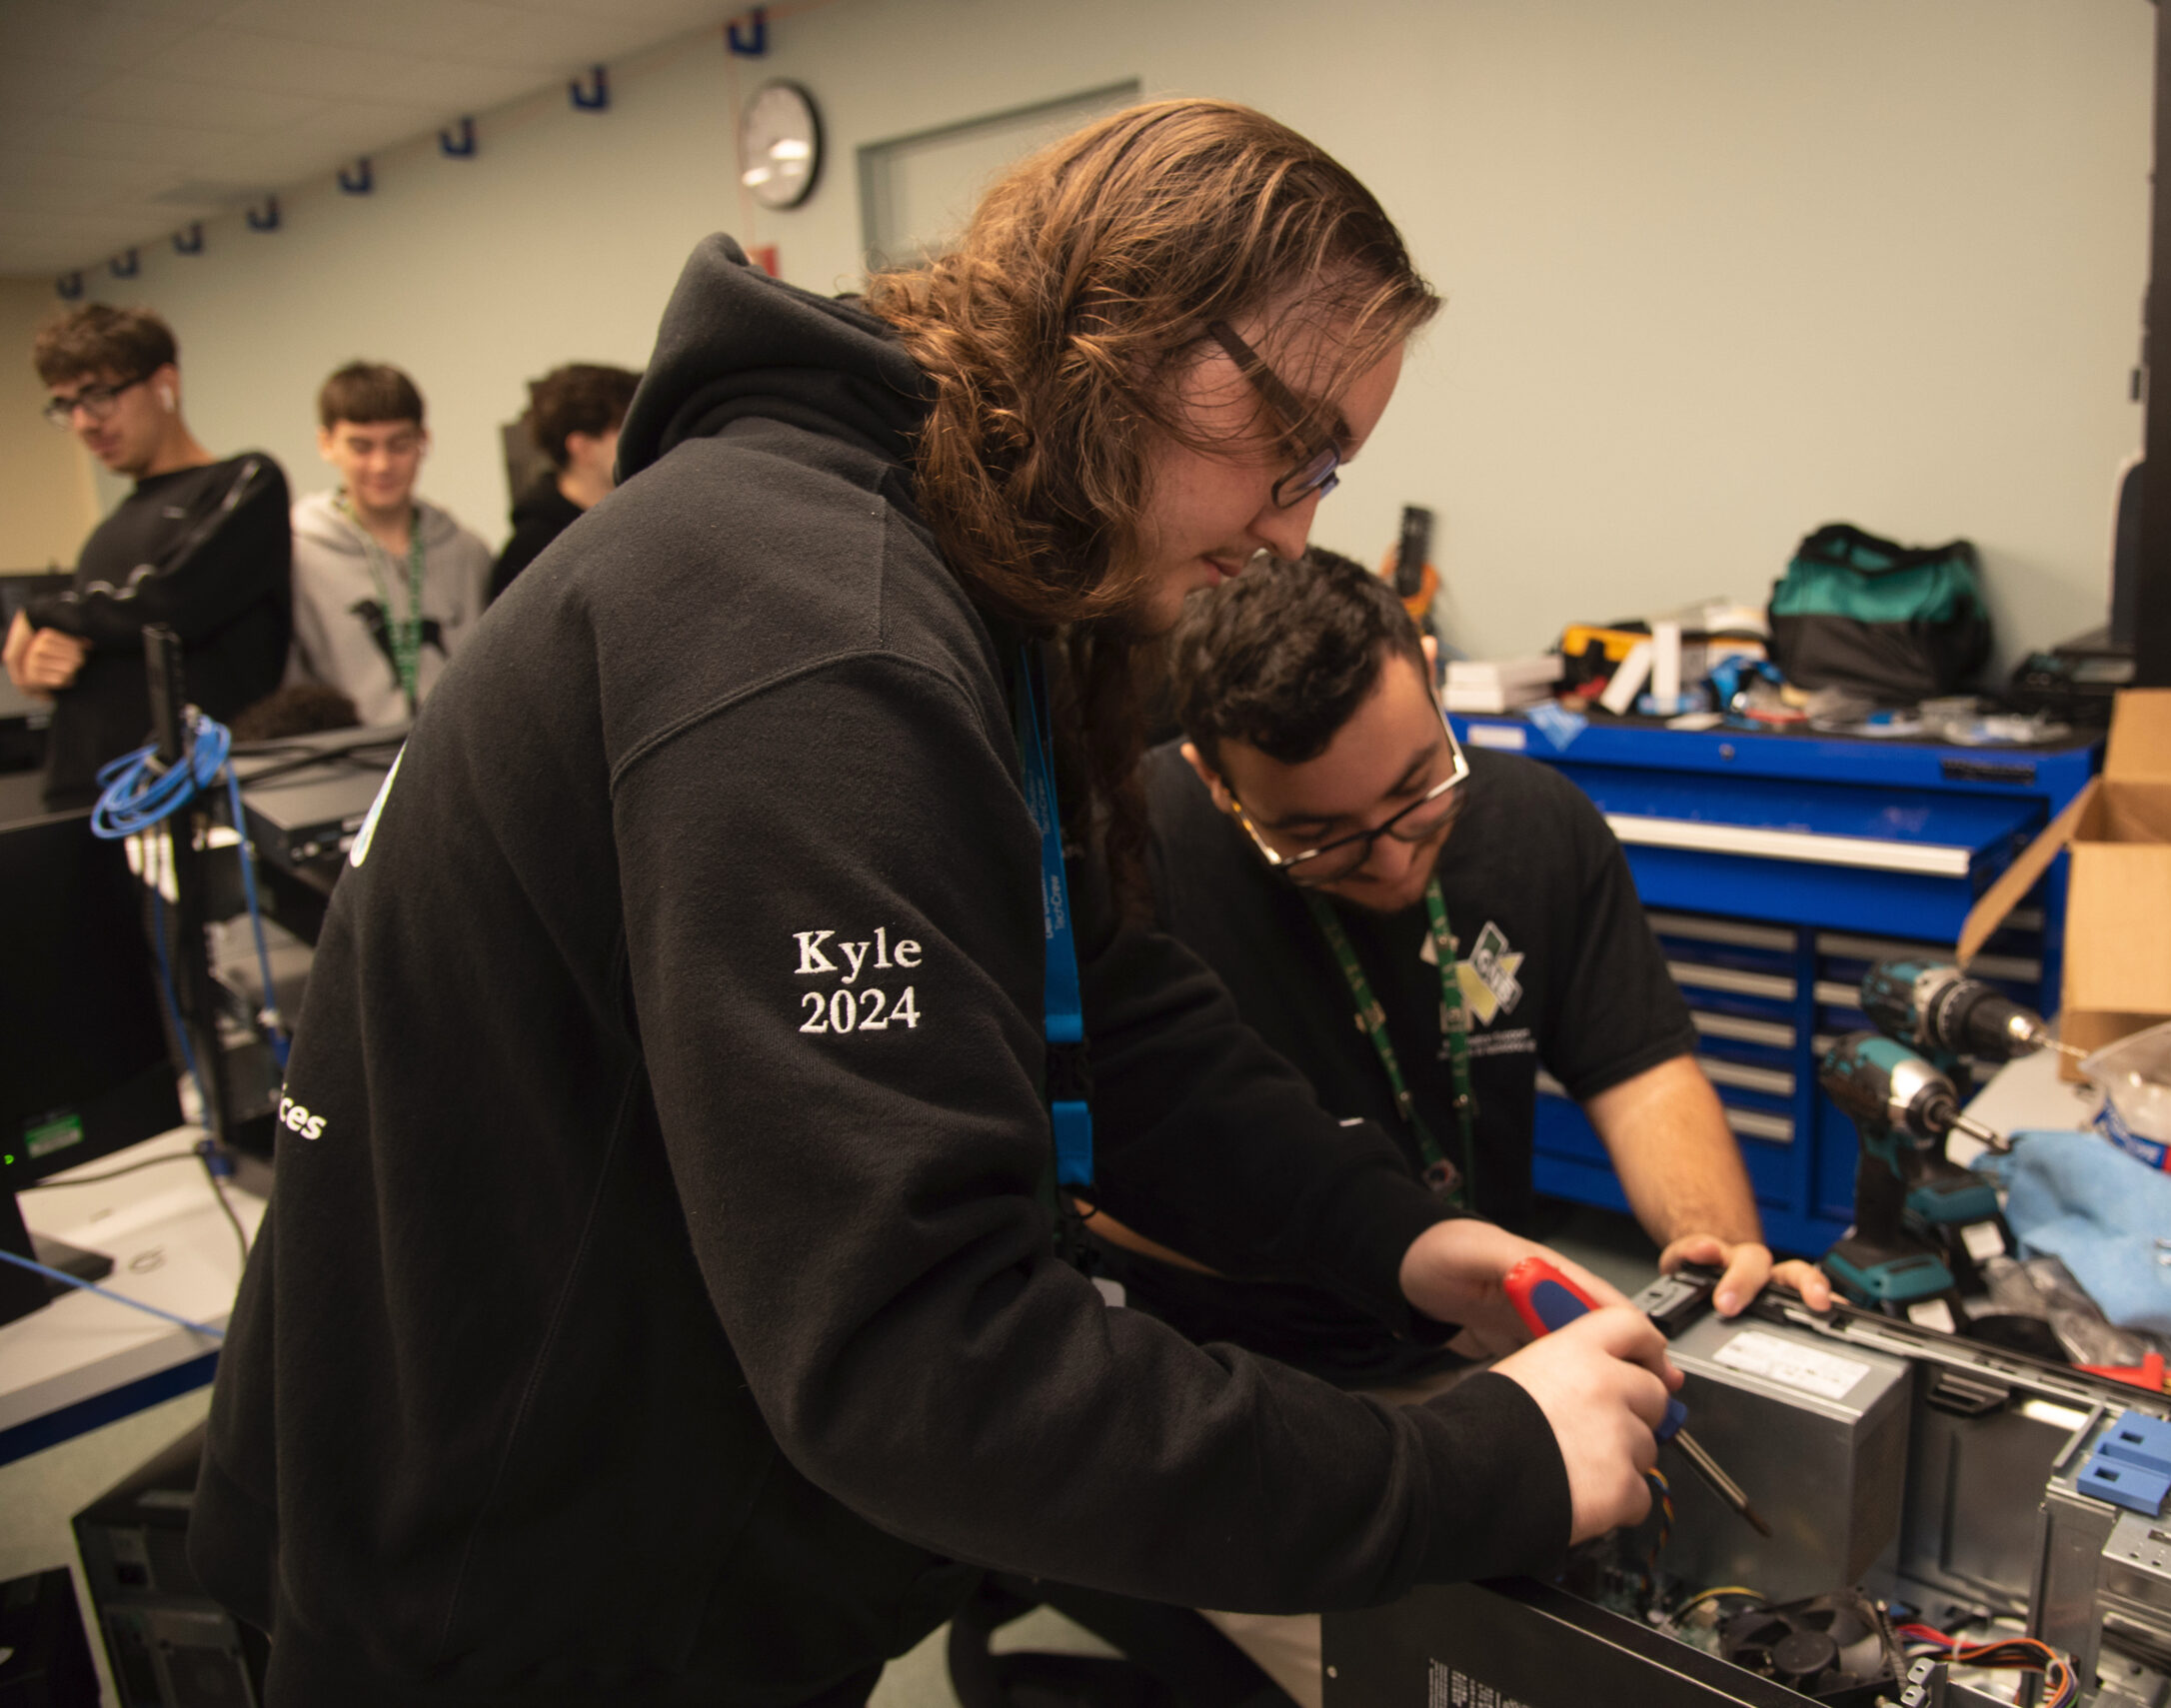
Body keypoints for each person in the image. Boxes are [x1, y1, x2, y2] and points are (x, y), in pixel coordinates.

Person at [192, 100, 1679, 1706]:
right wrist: (1469, 1469)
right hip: (517, 1607)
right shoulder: (821, 632)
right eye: (1296, 449)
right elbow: (924, 1361)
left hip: (645, 1526)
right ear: (1122, 342)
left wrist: (1395, 1239)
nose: (1292, 528)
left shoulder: (970, 575)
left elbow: (1100, 996)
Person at [1123, 548, 1833, 1385]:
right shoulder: (1130, 852)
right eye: (1318, 838)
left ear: (1429, 672)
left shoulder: (1540, 825)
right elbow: (1092, 1178)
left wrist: (1716, 1247)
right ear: (1213, 774)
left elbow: (1643, 1077)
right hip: (1225, 1375)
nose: (1390, 861)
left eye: (1418, 790)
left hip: (1482, 1346)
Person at [6, 304, 290, 809]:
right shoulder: (106, 533)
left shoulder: (243, 483)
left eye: (98, 396)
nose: (83, 424)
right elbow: (102, 636)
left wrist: (42, 611)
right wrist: (46, 661)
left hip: (198, 804)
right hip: (93, 803)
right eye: (66, 406)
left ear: (166, 383)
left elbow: (173, 603)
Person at [287, 362, 489, 726]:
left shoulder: (468, 552)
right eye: (361, 447)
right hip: (350, 765)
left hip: (456, 760)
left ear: (424, 441)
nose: (382, 465)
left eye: (399, 445)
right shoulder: (296, 555)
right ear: (326, 444)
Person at [485, 361, 639, 602]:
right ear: (582, 448)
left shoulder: (638, 517)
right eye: (624, 429)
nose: (639, 439)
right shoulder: (529, 553)